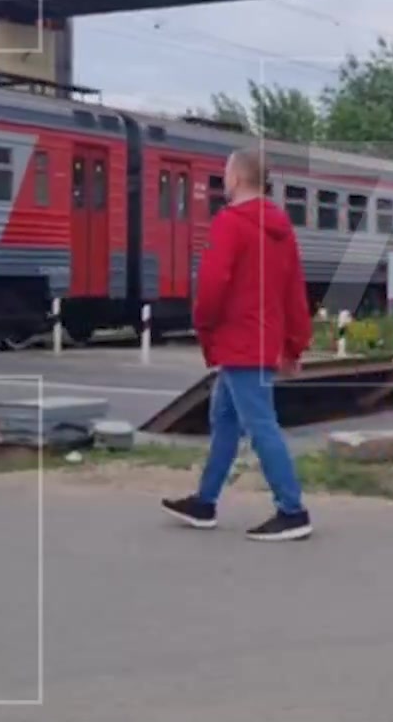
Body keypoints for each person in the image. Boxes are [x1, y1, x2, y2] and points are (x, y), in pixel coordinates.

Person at [162, 148, 316, 541]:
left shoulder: (229, 223)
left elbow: (212, 285)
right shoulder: (281, 229)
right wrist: (294, 344)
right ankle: (205, 501)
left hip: (241, 341)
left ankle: (292, 510)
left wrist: (203, 325)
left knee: (261, 424)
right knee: (225, 420)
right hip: (259, 341)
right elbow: (294, 292)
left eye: (225, 174)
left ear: (235, 179)